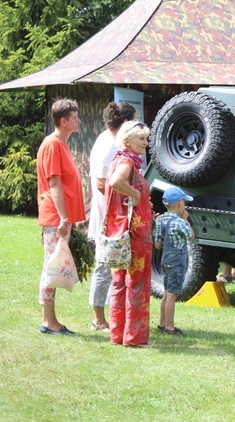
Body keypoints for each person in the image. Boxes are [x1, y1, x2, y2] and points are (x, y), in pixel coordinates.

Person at [37, 99, 86, 335]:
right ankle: (48, 322)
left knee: (56, 267)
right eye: (75, 117)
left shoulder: (62, 145)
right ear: (63, 121)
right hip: (55, 218)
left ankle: (52, 320)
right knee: (52, 267)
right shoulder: (53, 145)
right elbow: (54, 183)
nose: (78, 121)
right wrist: (64, 219)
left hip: (61, 218)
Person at [88, 101, 137, 332]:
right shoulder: (107, 144)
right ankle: (98, 318)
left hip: (113, 215)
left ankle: (113, 314)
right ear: (126, 123)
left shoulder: (111, 140)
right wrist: (124, 199)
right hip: (106, 216)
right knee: (103, 265)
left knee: (114, 265)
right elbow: (100, 183)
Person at [105, 120, 153, 347]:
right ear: (127, 141)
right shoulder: (126, 162)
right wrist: (135, 194)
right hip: (134, 233)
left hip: (121, 233)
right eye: (142, 138)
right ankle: (134, 338)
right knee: (137, 284)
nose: (146, 142)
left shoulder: (120, 160)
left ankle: (118, 334)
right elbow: (116, 182)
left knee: (119, 283)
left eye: (146, 138)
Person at [154, 187, 195, 336]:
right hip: (177, 262)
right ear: (179, 204)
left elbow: (157, 245)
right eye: (184, 201)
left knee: (166, 292)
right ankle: (170, 327)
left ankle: (162, 322)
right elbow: (191, 236)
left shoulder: (161, 220)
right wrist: (185, 219)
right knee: (172, 295)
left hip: (165, 261)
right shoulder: (179, 222)